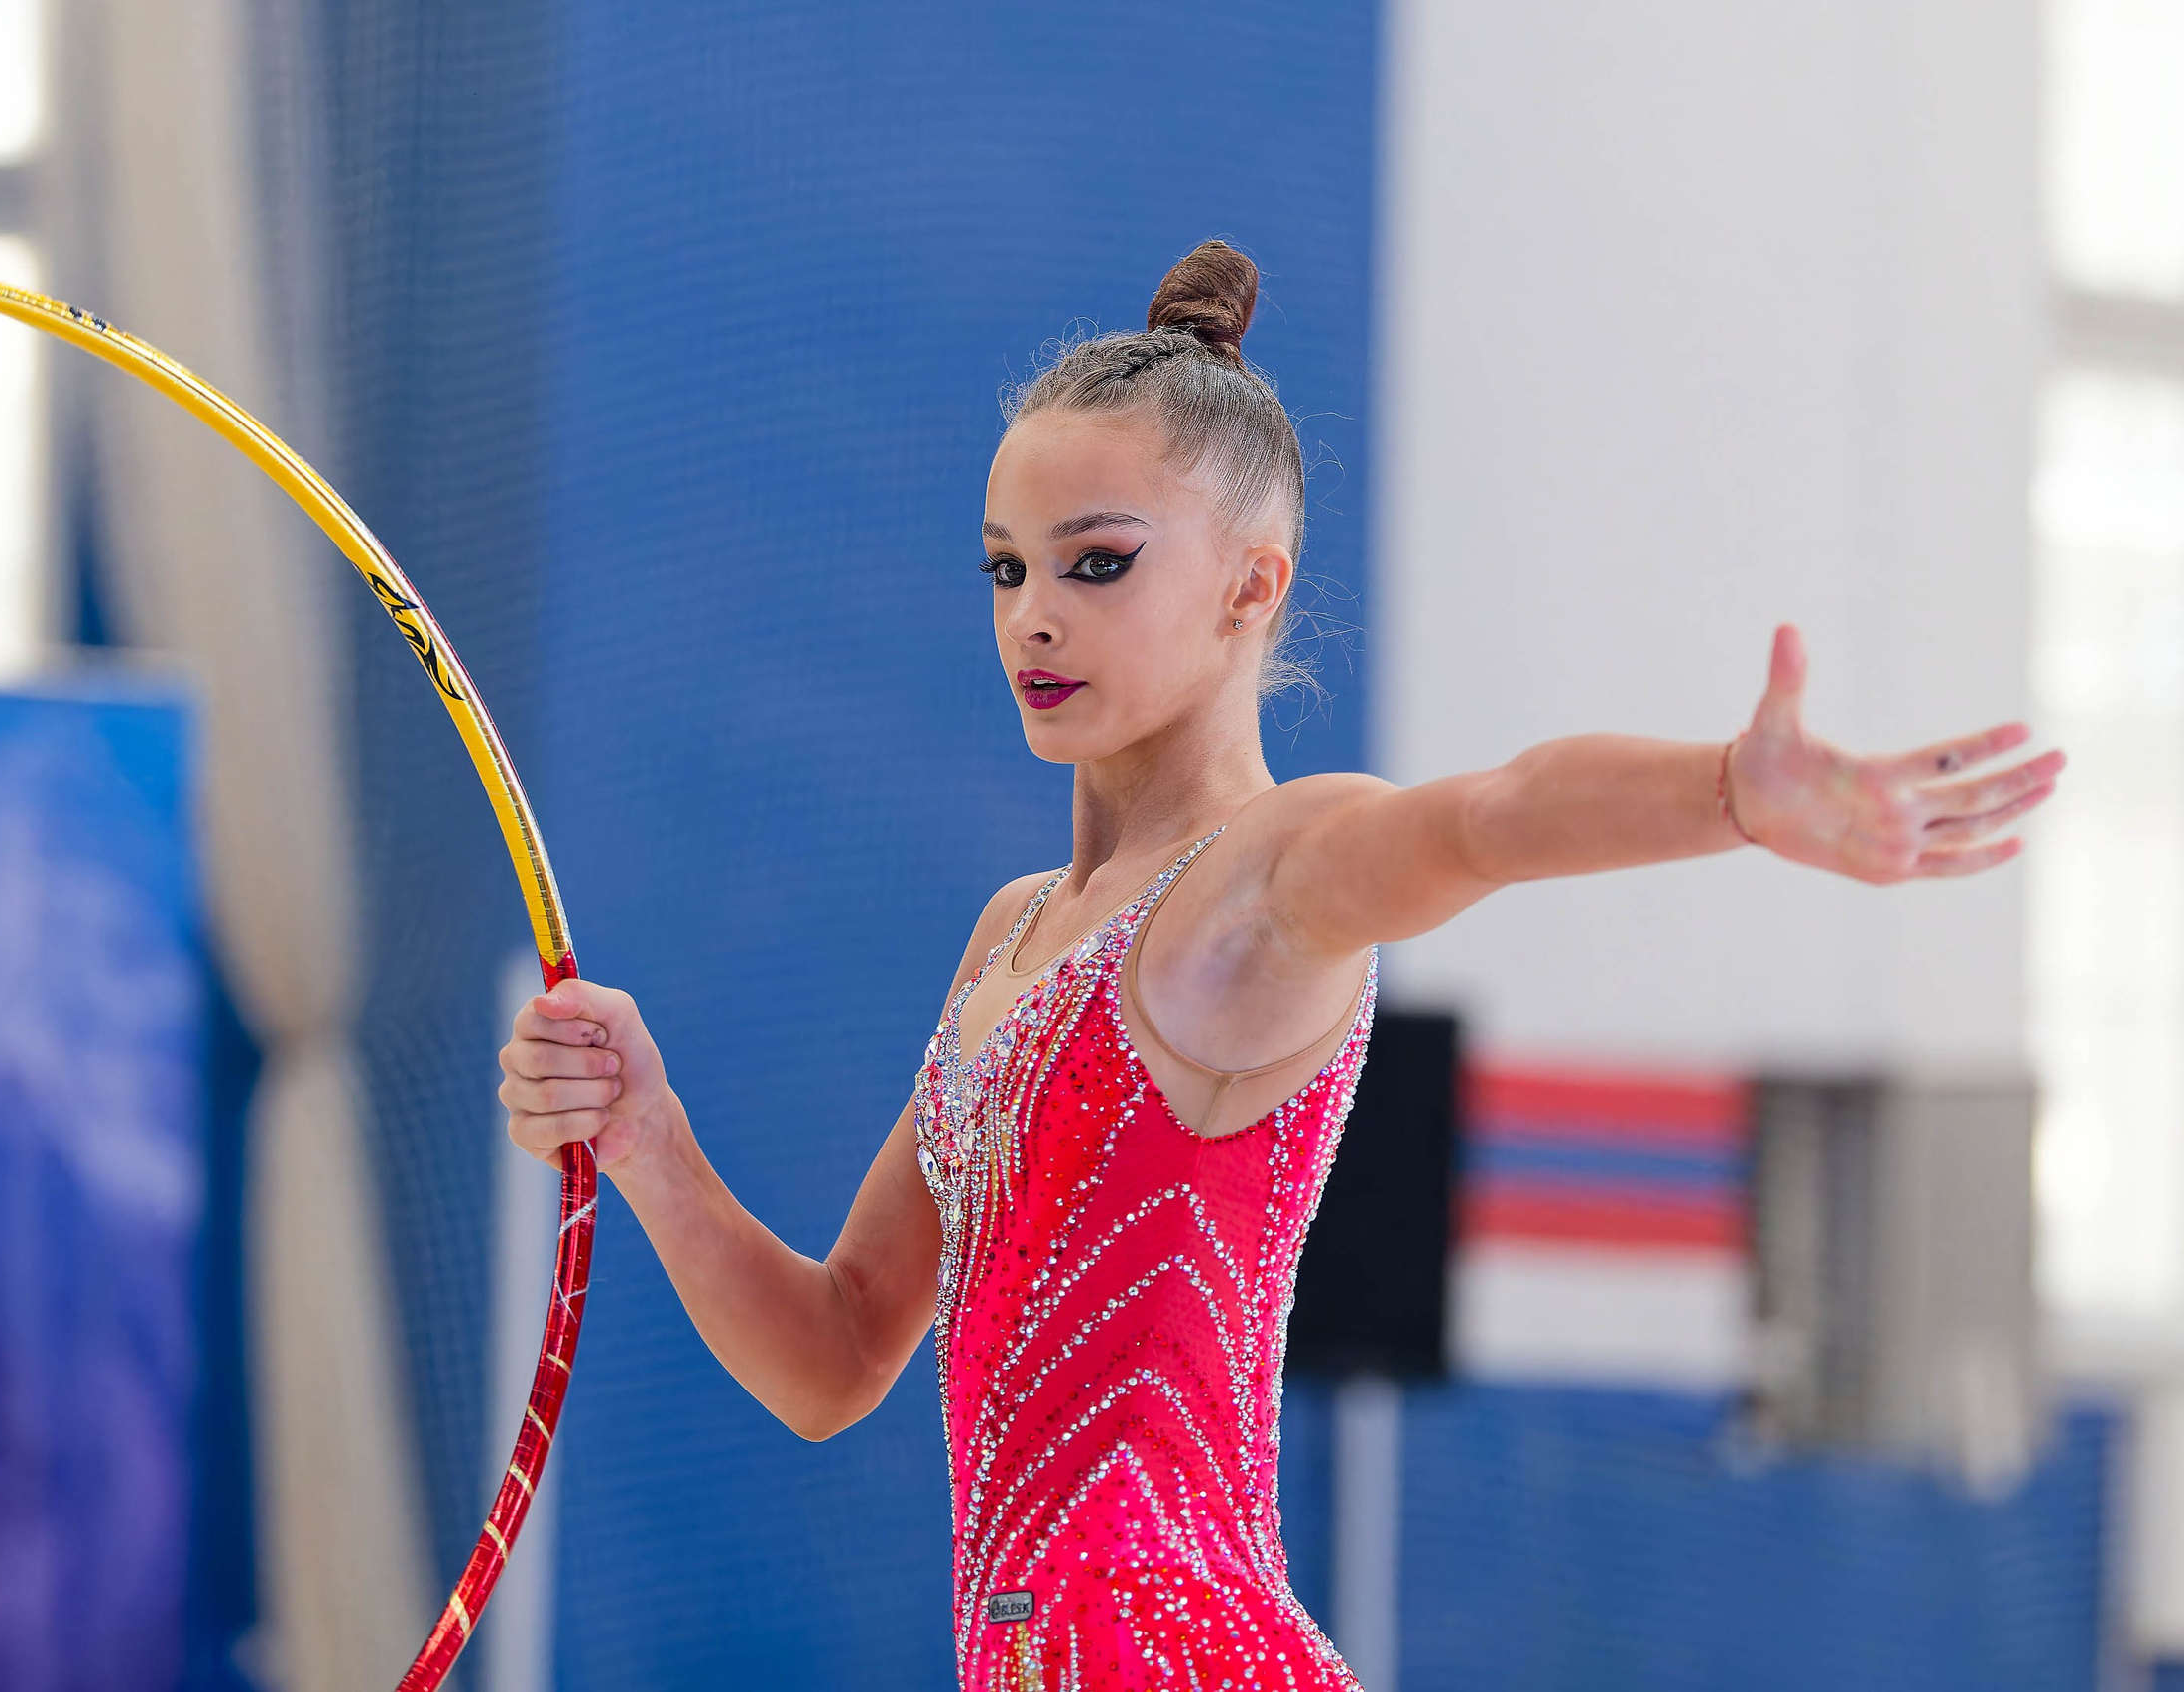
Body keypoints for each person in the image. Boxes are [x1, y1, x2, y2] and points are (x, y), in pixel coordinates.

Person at [496, 240, 2061, 1690]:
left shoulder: (1260, 883)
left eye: (1096, 564)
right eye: (1006, 569)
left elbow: (1489, 818)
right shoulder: (1012, 932)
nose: (1035, 615)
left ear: (1253, 584)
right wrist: (650, 1137)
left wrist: (1728, 790)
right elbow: (837, 1352)